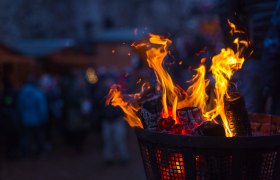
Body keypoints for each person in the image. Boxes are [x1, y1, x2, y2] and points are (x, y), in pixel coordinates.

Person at [17, 76, 48, 158]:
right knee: (38, 136)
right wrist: (44, 118)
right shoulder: (38, 92)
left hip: (25, 118)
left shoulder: (22, 92)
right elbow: (42, 108)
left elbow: (19, 106)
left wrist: (20, 116)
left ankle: (25, 153)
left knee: (25, 137)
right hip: (37, 119)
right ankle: (39, 151)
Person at [102, 75, 129, 166]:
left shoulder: (119, 93)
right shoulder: (101, 92)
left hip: (117, 120)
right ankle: (108, 158)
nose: (108, 83)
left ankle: (123, 157)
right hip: (106, 120)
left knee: (119, 139)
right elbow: (98, 104)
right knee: (107, 140)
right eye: (107, 81)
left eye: (110, 81)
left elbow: (124, 105)